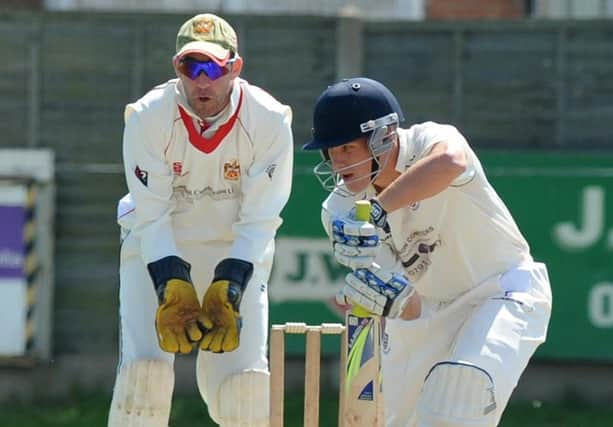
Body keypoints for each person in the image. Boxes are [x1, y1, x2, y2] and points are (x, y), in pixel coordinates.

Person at [303, 77, 552, 427]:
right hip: (430, 312)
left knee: (456, 400)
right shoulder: (339, 211)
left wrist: (377, 210)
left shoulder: (431, 139)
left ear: (381, 136)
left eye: (347, 149)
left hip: (502, 290)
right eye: (330, 152)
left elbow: (450, 163)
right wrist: (389, 298)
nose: (337, 164)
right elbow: (412, 305)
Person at [107, 13, 293, 427]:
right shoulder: (147, 116)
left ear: (235, 68)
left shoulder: (269, 120)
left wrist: (230, 283)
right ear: (177, 68)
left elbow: (261, 219)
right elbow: (151, 214)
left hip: (235, 249)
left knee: (244, 393)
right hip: (155, 249)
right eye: (191, 67)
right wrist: (171, 282)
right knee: (145, 382)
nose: (202, 81)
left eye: (213, 67)